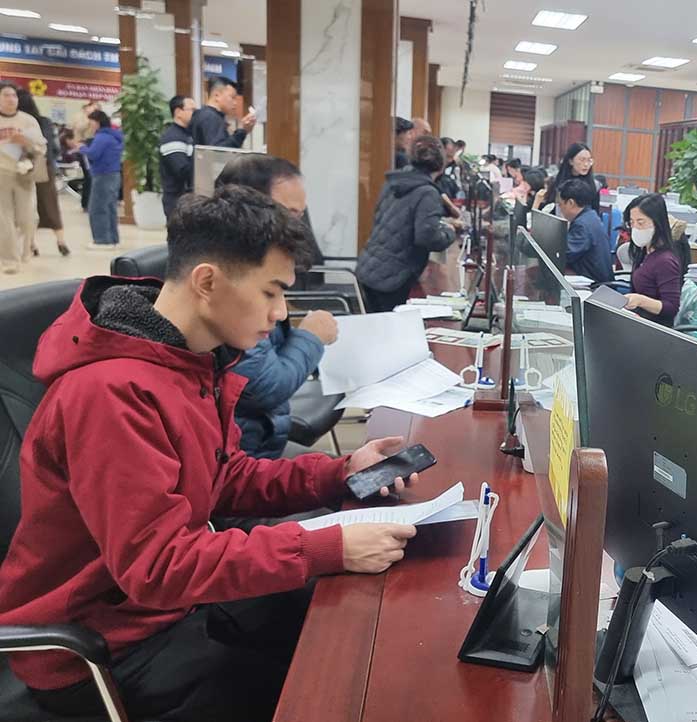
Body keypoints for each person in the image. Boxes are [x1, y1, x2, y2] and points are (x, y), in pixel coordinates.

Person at [0, 184, 422, 722]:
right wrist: (326, 548)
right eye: (271, 291)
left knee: (337, 616)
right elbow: (160, 566)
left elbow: (224, 478)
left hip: (157, 610)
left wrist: (339, 473)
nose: (281, 312)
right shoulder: (112, 393)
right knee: (322, 679)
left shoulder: (185, 361)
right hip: (100, 647)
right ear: (207, 282)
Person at [214, 154, 339, 459]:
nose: (298, 228)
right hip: (247, 457)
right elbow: (265, 388)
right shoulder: (230, 282)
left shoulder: (256, 268)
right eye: (289, 214)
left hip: (260, 445)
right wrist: (310, 337)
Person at [357, 134, 460, 311]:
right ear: (441, 165)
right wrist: (450, 231)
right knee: (389, 330)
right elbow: (427, 237)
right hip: (393, 276)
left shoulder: (395, 182)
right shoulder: (427, 192)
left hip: (370, 266)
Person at [17, 88, 69, 257]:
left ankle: (32, 244)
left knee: (26, 206)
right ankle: (61, 241)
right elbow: (54, 147)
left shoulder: (18, 122)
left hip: (21, 166)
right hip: (45, 167)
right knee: (50, 204)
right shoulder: (45, 122)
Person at [0, 82, 44, 273]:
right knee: (4, 218)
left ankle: (26, 250)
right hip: (2, 174)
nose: (11, 99)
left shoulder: (28, 121)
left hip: (23, 174)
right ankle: (9, 259)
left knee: (27, 218)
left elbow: (41, 148)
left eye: (14, 96)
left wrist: (25, 142)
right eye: (6, 95)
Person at [622, 193, 682, 326]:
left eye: (640, 222)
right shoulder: (645, 251)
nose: (635, 228)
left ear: (657, 223)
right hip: (638, 319)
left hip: (653, 328)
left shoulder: (665, 261)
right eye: (632, 223)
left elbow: (671, 308)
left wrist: (640, 300)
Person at [71, 110, 123, 248]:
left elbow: (93, 154)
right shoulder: (114, 136)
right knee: (110, 207)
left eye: (92, 122)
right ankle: (112, 238)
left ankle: (102, 240)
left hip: (102, 175)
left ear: (98, 122)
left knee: (98, 208)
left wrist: (82, 148)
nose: (90, 126)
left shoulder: (102, 137)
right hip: (114, 174)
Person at [557, 177, 613, 285]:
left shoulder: (582, 225)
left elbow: (565, 254)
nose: (560, 209)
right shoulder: (589, 216)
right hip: (594, 277)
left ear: (570, 203)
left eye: (560, 204)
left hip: (594, 285)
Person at [190, 75, 256, 149]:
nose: (235, 103)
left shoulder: (203, 114)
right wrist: (242, 131)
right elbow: (219, 153)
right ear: (217, 95)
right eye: (232, 97)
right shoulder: (210, 117)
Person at [159, 94, 197, 218]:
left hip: (187, 200)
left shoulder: (187, 135)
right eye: (192, 110)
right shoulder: (172, 138)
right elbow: (181, 170)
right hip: (177, 202)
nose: (196, 114)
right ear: (178, 112)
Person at [536, 142, 599, 213]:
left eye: (589, 160)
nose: (586, 164)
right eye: (582, 160)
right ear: (571, 161)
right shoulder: (557, 181)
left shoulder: (593, 186)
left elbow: (595, 211)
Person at [71, 100, 98, 211]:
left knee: (93, 176)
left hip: (93, 143)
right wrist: (88, 118)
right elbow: (79, 128)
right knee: (89, 175)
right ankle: (86, 203)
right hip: (83, 145)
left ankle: (91, 202)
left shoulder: (95, 118)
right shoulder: (79, 117)